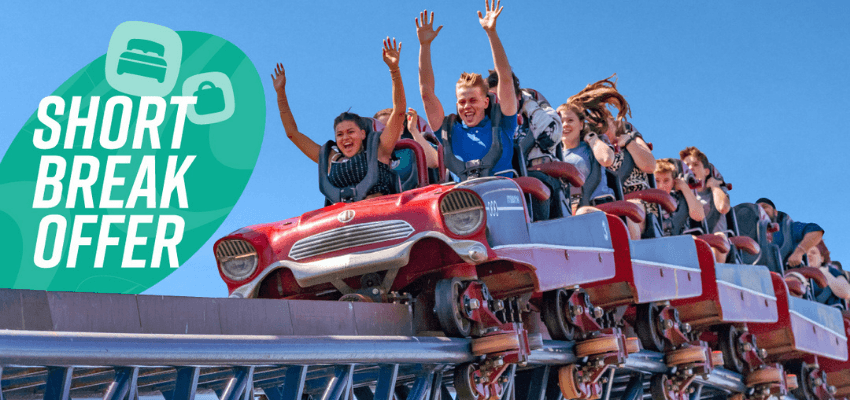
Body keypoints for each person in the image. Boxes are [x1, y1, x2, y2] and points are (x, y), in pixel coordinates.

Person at [272, 38, 406, 200]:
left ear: (363, 134)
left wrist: (394, 70)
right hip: (343, 218)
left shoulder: (380, 149)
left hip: (377, 213)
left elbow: (399, 110)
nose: (346, 138)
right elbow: (292, 133)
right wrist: (281, 93)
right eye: (340, 134)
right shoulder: (331, 158)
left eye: (351, 132)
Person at [417, 1, 518, 181]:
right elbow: (426, 93)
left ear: (486, 102)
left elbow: (505, 77)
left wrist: (491, 33)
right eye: (462, 102)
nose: (467, 107)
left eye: (473, 100)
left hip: (501, 195)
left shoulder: (504, 124)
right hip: (465, 200)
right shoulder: (450, 132)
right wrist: (425, 46)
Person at [568, 76, 656, 239]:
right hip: (604, 202)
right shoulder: (592, 141)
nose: (598, 126)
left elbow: (650, 166)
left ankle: (632, 255)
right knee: (582, 212)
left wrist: (629, 142)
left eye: (600, 120)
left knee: (630, 209)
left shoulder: (628, 132)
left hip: (637, 204)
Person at [556, 101, 614, 215]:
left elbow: (607, 159)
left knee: (582, 212)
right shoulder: (554, 155)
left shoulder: (592, 145)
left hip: (599, 206)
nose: (565, 125)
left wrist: (592, 138)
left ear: (581, 124)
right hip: (568, 210)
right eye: (560, 121)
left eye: (570, 120)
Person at [680, 147, 730, 261]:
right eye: (687, 165)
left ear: (706, 171)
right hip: (689, 245)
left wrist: (714, 185)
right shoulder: (679, 194)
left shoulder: (715, 193)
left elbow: (723, 208)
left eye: (696, 164)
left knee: (718, 238)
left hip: (715, 245)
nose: (691, 168)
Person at [756, 198, 825, 267]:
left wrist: (799, 252)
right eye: (757, 209)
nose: (761, 210)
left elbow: (816, 231)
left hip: (787, 274)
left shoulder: (789, 227)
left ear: (775, 212)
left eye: (764, 207)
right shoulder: (751, 233)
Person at [654, 159, 705, 236]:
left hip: (681, 242)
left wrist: (684, 187)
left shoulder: (680, 198)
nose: (661, 186)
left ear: (673, 182)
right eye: (657, 181)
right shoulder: (647, 200)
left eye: (666, 180)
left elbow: (699, 216)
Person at [807, 243, 850, 308]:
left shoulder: (831, 271)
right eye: (806, 253)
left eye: (813, 253)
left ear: (822, 259)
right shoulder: (798, 272)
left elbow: (846, 292)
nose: (809, 255)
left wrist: (823, 272)